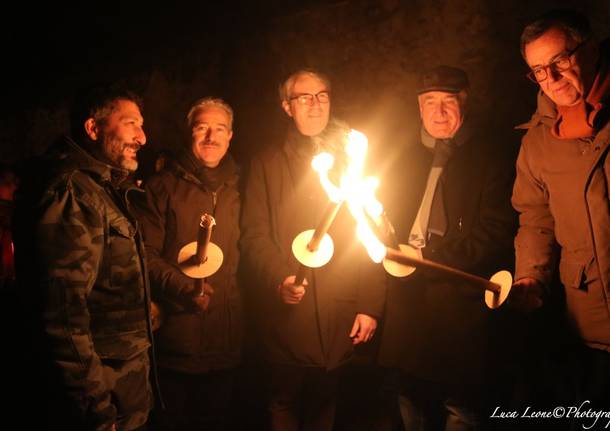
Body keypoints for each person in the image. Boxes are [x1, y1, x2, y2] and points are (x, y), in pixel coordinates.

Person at [240, 68, 385, 431]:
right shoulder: (266, 164)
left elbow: (371, 234)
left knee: (327, 405)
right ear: (287, 106)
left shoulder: (352, 161)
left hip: (338, 311)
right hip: (289, 314)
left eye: (322, 95)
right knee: (283, 403)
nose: (315, 104)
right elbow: (254, 234)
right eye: (304, 97)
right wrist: (279, 279)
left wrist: (369, 303)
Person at [376, 66, 517, 430]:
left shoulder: (490, 157)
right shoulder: (402, 158)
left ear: (464, 102)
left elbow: (496, 232)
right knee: (410, 400)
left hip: (460, 307)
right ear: (419, 107)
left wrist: (432, 256)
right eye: (429, 102)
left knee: (460, 407)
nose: (438, 112)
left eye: (448, 102)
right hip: (408, 303)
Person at [12, 84, 155, 430]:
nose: (143, 137)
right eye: (131, 124)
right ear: (93, 129)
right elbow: (63, 317)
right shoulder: (72, 192)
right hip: (104, 402)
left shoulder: (99, 188)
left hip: (122, 393)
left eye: (142, 125)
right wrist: (97, 412)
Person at [511, 9, 610, 412]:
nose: (550, 79)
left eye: (560, 61)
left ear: (587, 49)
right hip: (591, 319)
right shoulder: (537, 143)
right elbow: (535, 218)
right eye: (538, 70)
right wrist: (531, 275)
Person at [135, 97, 242, 430]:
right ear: (189, 133)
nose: (211, 136)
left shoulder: (240, 189)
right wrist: (184, 289)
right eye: (202, 127)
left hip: (227, 345)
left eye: (220, 128)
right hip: (175, 346)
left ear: (231, 136)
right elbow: (143, 254)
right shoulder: (160, 188)